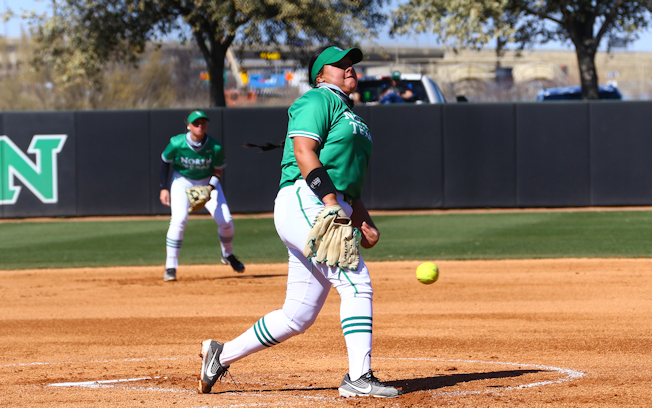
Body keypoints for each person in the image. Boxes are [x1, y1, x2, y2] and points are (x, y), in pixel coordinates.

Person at [198, 46, 399, 398]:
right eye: (341, 65)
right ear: (321, 75)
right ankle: (358, 377)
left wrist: (361, 218)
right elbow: (305, 152)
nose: (350, 69)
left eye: (352, 65)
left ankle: (220, 354)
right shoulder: (318, 99)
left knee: (297, 315)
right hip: (307, 200)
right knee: (356, 283)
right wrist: (332, 203)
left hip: (328, 204)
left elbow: (346, 177)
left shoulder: (352, 115)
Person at [159, 109, 245, 281]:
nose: (200, 126)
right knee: (179, 220)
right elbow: (165, 161)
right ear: (188, 126)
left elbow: (218, 170)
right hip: (182, 182)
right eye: (196, 123)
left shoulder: (215, 147)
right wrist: (163, 187)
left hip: (208, 183)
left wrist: (209, 188)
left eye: (203, 123)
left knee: (226, 221)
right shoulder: (177, 143)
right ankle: (170, 267)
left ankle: (227, 255)